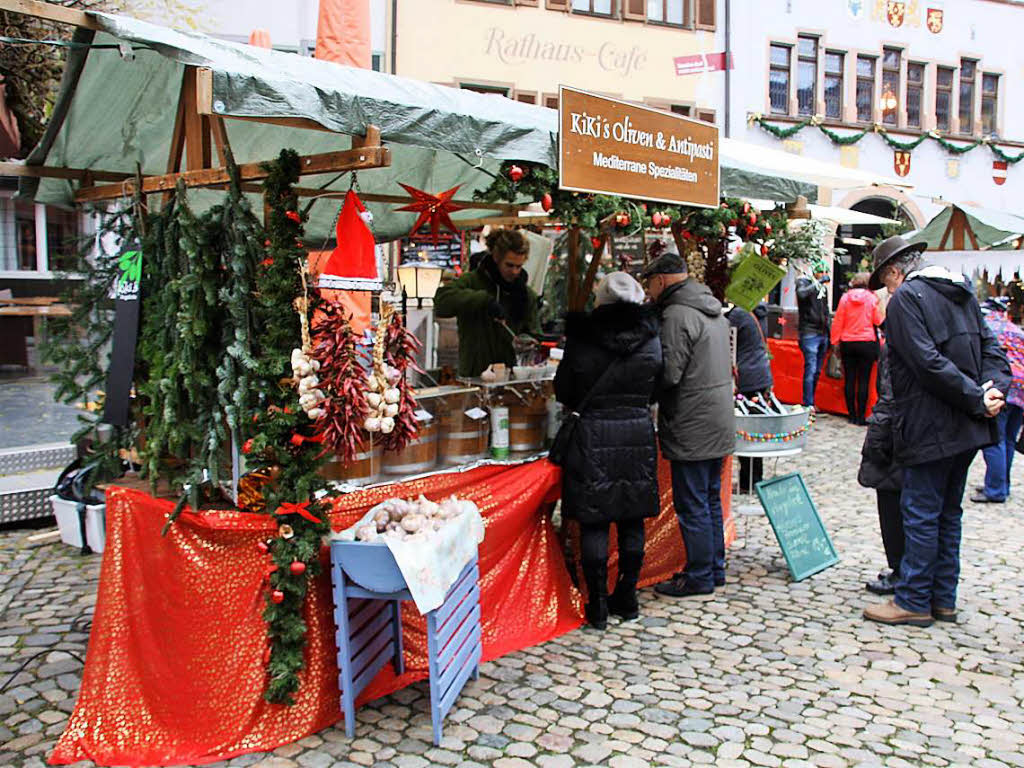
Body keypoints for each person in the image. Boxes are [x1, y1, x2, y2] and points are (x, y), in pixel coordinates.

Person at [863, 236, 1011, 627]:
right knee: (947, 513)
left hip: (930, 423)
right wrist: (991, 390)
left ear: (895, 271)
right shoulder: (960, 291)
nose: (887, 291)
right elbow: (993, 352)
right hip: (965, 426)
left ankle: (913, 599)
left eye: (886, 283)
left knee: (923, 513)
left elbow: (924, 362)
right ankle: (943, 598)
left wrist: (978, 397)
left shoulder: (908, 298)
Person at [555, 272, 662, 629]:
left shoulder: (582, 338)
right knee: (632, 517)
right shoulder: (651, 337)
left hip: (593, 434)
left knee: (594, 520)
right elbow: (658, 386)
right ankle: (627, 597)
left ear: (599, 302)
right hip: (636, 431)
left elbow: (565, 388)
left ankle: (598, 605)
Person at [642, 250, 735, 598]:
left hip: (693, 419)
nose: (649, 292)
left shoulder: (677, 315)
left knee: (693, 502)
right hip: (716, 417)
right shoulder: (709, 307)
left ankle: (699, 575)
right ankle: (714, 569)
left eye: (650, 284)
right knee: (709, 499)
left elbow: (670, 373)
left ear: (661, 281)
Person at [434, 228, 541, 377]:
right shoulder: (472, 281)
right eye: (509, 265)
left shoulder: (526, 295)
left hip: (511, 377)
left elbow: (533, 331)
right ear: (497, 259)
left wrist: (527, 341)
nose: (515, 272)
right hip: (474, 374)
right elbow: (441, 302)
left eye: (519, 266)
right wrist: (482, 300)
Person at [857, 339, 903, 595]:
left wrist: (876, 441)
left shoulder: (897, 345)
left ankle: (901, 571)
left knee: (892, 505)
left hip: (897, 435)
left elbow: (889, 394)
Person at [971, 297, 1024, 504]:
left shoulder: (986, 328)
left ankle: (995, 489)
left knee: (994, 439)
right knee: (1008, 439)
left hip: (1001, 387)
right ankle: (1003, 484)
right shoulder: (1015, 329)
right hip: (1021, 390)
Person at [726, 302, 773, 491]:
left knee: (747, 432)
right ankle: (753, 480)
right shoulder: (755, 312)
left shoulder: (737, 314)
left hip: (747, 378)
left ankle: (748, 482)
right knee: (753, 432)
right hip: (759, 376)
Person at [831, 272, 883, 425]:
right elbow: (878, 320)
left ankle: (851, 415)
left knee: (850, 379)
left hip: (848, 342)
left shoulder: (845, 298)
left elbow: (838, 321)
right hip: (866, 342)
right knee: (864, 381)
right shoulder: (872, 298)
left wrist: (835, 342)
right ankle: (861, 416)